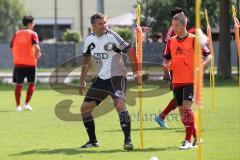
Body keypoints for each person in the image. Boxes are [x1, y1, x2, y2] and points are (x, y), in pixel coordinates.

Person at [79, 13, 141, 151]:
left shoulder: (112, 36)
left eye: (105, 22)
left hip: (117, 76)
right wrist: (82, 80)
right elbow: (86, 60)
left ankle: (128, 141)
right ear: (93, 26)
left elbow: (130, 51)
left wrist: (137, 72)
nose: (104, 26)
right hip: (101, 79)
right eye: (101, 23)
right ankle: (93, 141)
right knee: (85, 109)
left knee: (119, 105)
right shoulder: (89, 40)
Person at [163, 13, 212, 149]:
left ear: (184, 25)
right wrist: (165, 65)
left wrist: (202, 65)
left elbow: (208, 56)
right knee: (182, 114)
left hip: (190, 79)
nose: (174, 28)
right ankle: (197, 138)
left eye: (176, 25)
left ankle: (187, 141)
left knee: (186, 109)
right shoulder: (171, 41)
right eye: (172, 25)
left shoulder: (194, 40)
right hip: (176, 80)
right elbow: (167, 57)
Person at [155, 7, 185, 128]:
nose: (184, 16)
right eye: (182, 14)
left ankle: (162, 117)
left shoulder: (180, 28)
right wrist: (167, 67)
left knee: (182, 96)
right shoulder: (173, 29)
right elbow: (168, 48)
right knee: (180, 96)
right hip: (175, 67)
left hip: (183, 67)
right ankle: (162, 117)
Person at [10, 15, 41, 112]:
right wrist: (38, 53)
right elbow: (36, 46)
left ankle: (18, 106)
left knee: (19, 84)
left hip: (18, 63)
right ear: (29, 24)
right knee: (31, 84)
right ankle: (26, 104)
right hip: (31, 64)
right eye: (33, 22)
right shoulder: (33, 34)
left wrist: (18, 55)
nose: (34, 24)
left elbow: (11, 46)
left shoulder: (16, 33)